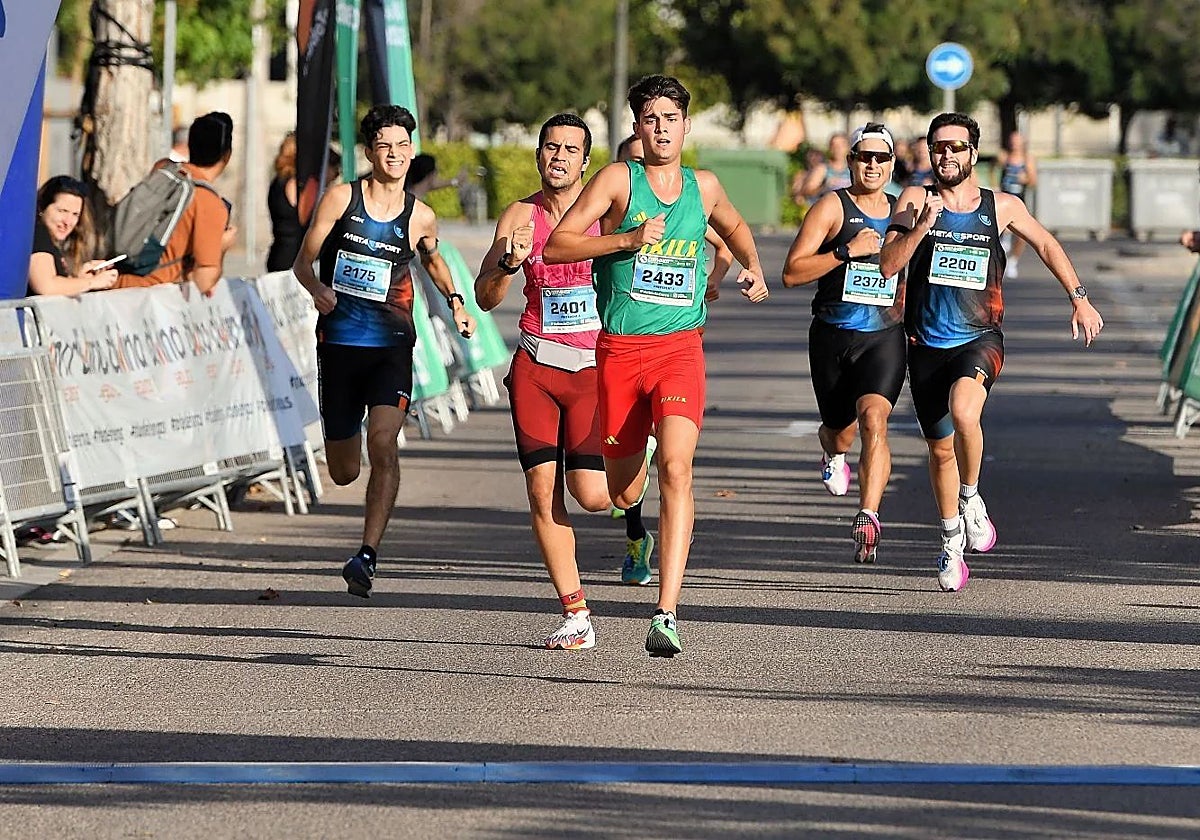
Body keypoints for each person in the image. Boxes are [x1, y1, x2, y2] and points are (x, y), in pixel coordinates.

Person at [544, 74, 770, 657]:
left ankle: (666, 611)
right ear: (637, 128)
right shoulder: (619, 180)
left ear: (686, 125)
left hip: (679, 350)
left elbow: (736, 227)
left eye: (671, 118)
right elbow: (558, 246)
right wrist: (625, 241)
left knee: (679, 469)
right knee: (620, 495)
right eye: (651, 119)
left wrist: (751, 266)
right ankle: (636, 455)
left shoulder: (705, 185)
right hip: (620, 353)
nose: (661, 128)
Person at [880, 113, 1104, 592]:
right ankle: (950, 539)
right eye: (938, 147)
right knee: (940, 451)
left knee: (965, 410)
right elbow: (887, 265)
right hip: (924, 344)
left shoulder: (1000, 205)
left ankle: (971, 496)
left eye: (956, 147)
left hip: (980, 337)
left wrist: (1079, 296)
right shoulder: (915, 200)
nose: (946, 156)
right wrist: (919, 230)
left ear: (973, 153)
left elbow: (1044, 242)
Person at [474, 114, 650, 650]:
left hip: (596, 368)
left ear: (584, 161)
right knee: (540, 489)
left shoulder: (604, 215)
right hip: (535, 366)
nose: (559, 157)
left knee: (596, 496)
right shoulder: (519, 215)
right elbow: (486, 295)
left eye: (571, 150)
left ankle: (641, 457)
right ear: (538, 155)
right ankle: (576, 614)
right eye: (551, 148)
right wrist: (508, 262)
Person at [292, 104, 476, 598]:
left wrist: (457, 303)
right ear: (370, 152)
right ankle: (362, 531)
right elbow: (302, 263)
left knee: (384, 443)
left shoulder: (421, 216)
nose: (394, 155)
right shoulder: (341, 199)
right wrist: (317, 289)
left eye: (402, 146)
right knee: (345, 469)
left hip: (392, 345)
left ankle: (367, 554)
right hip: (340, 345)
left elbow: (435, 261)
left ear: (410, 151)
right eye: (385, 146)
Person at [781, 123, 904, 565]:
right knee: (840, 431)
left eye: (881, 158)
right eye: (863, 157)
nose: (872, 165)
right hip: (833, 335)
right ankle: (832, 454)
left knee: (875, 420)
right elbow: (792, 272)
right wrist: (844, 252)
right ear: (850, 160)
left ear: (892, 164)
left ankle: (868, 515)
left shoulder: (903, 210)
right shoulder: (832, 207)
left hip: (884, 336)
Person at [115, 111, 236, 293]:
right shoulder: (210, 203)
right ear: (227, 155)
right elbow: (203, 282)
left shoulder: (163, 170)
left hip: (117, 283)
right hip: (152, 299)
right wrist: (222, 246)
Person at [616, 134, 735, 301]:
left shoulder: (684, 209)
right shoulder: (609, 203)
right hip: (622, 311)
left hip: (677, 318)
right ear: (617, 164)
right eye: (636, 161)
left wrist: (714, 279)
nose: (643, 166)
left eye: (649, 159)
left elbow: (726, 243)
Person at [27, 175, 118, 296]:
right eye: (62, 211)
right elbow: (46, 286)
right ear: (41, 207)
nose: (68, 222)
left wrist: (79, 278)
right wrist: (93, 282)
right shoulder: (38, 234)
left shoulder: (48, 240)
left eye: (75, 214)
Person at [266, 133, 342, 272]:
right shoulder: (302, 185)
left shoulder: (278, 182)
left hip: (278, 254)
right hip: (296, 260)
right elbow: (311, 220)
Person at [996, 129, 1038, 279]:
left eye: (1017, 142)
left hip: (1019, 198)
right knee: (1002, 226)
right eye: (1012, 142)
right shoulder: (1004, 157)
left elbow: (1033, 181)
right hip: (1003, 197)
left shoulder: (1028, 159)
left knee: (1022, 235)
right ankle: (1004, 244)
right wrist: (995, 185)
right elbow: (993, 171)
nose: (1014, 145)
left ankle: (1013, 260)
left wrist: (1024, 178)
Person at [795, 133, 853, 204]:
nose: (837, 149)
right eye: (833, 145)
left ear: (847, 147)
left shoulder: (852, 169)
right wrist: (824, 187)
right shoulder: (822, 169)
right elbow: (807, 190)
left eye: (841, 146)